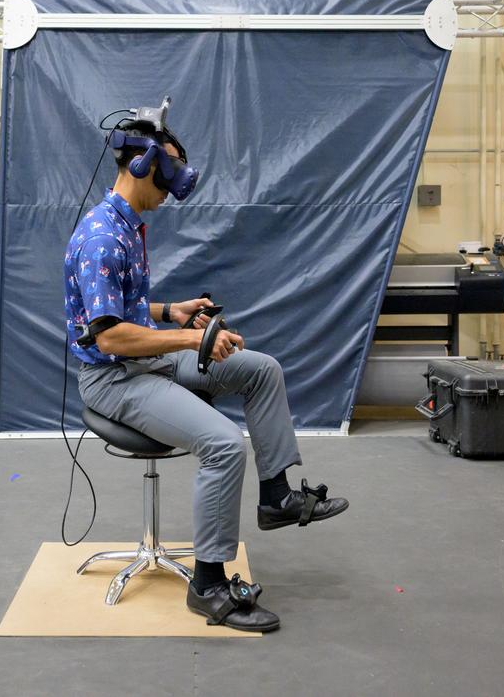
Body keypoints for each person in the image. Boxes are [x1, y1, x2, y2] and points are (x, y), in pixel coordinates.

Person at [64, 121, 348, 633]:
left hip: (146, 359)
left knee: (261, 370)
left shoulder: (127, 225)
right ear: (143, 165)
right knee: (223, 444)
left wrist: (170, 311)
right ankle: (209, 586)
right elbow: (110, 337)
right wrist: (191, 339)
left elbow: (119, 305)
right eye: (169, 172)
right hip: (115, 377)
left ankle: (276, 497)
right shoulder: (103, 237)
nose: (173, 189)